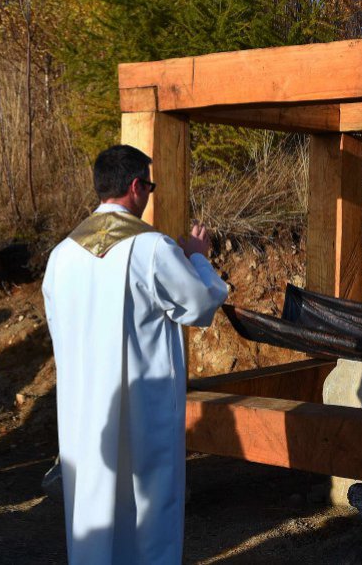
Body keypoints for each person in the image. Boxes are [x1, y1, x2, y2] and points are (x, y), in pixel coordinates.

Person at [42, 145, 228, 564]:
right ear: (135, 187)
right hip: (146, 404)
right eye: (149, 185)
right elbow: (199, 305)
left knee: (91, 496)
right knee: (150, 499)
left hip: (85, 408)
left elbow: (60, 330)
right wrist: (199, 259)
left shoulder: (61, 256)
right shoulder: (152, 248)